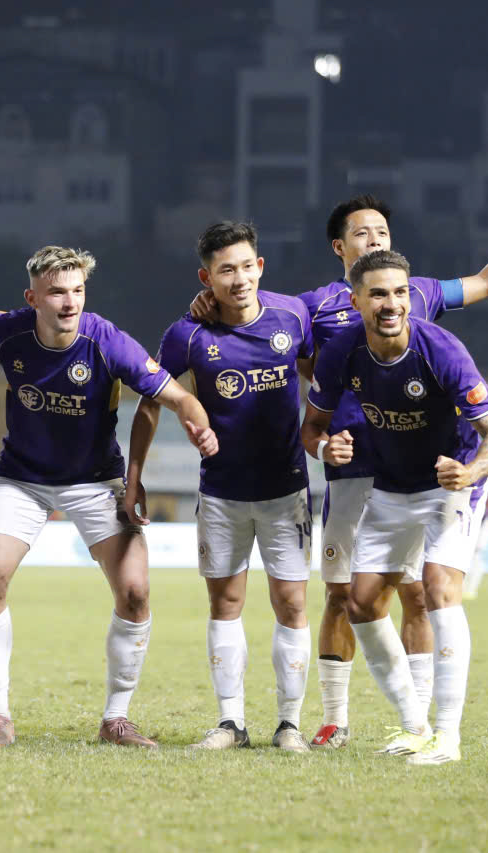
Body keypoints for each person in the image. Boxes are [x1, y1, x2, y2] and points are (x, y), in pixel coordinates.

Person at [195, 188, 488, 748]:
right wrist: (208, 305)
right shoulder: (312, 307)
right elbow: (260, 320)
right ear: (339, 248)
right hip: (352, 466)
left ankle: (419, 723)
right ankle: (335, 718)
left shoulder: (418, 293)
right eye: (362, 233)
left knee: (420, 593)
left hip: (422, 465)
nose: (374, 240)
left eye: (382, 233)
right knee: (344, 594)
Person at [0, 245, 218, 748]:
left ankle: (116, 719)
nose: (70, 301)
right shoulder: (8, 331)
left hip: (96, 480)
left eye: (77, 290)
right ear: (33, 298)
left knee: (135, 591)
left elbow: (178, 396)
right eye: (57, 292)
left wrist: (198, 427)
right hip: (22, 478)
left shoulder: (107, 342)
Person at [302, 249, 488, 765]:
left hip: (450, 483)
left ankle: (448, 737)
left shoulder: (441, 349)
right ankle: (415, 726)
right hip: (390, 487)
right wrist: (325, 448)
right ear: (356, 302)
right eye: (377, 294)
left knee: (438, 589)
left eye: (399, 292)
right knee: (360, 604)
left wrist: (470, 472)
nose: (391, 303)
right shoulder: (342, 352)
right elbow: (312, 428)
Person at [128, 222, 316, 750]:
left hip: (286, 491)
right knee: (225, 603)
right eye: (225, 270)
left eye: (246, 266)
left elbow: (321, 375)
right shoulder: (186, 335)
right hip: (221, 494)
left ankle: (289, 725)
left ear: (261, 267)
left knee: (292, 604)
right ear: (205, 278)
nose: (239, 279)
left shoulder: (292, 316)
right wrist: (134, 478)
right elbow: (149, 403)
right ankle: (231, 723)